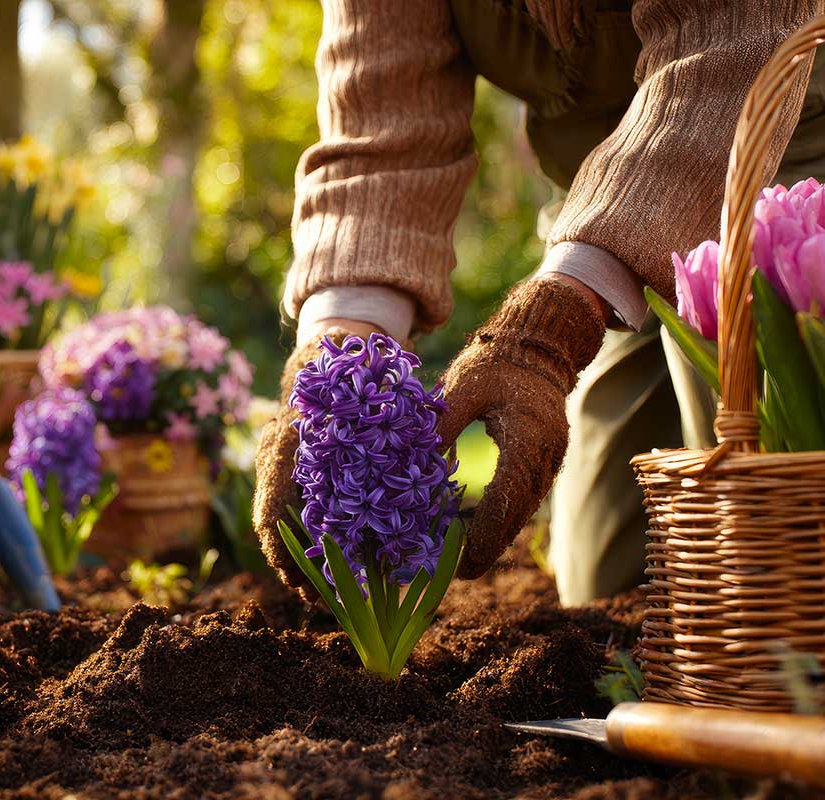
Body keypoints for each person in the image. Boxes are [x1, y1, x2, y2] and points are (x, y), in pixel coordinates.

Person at [254, 0, 825, 605]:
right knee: (600, 586)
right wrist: (335, 360)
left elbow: (732, 47)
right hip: (598, 215)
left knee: (746, 566)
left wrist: (545, 334)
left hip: (780, 182)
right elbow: (380, 127)